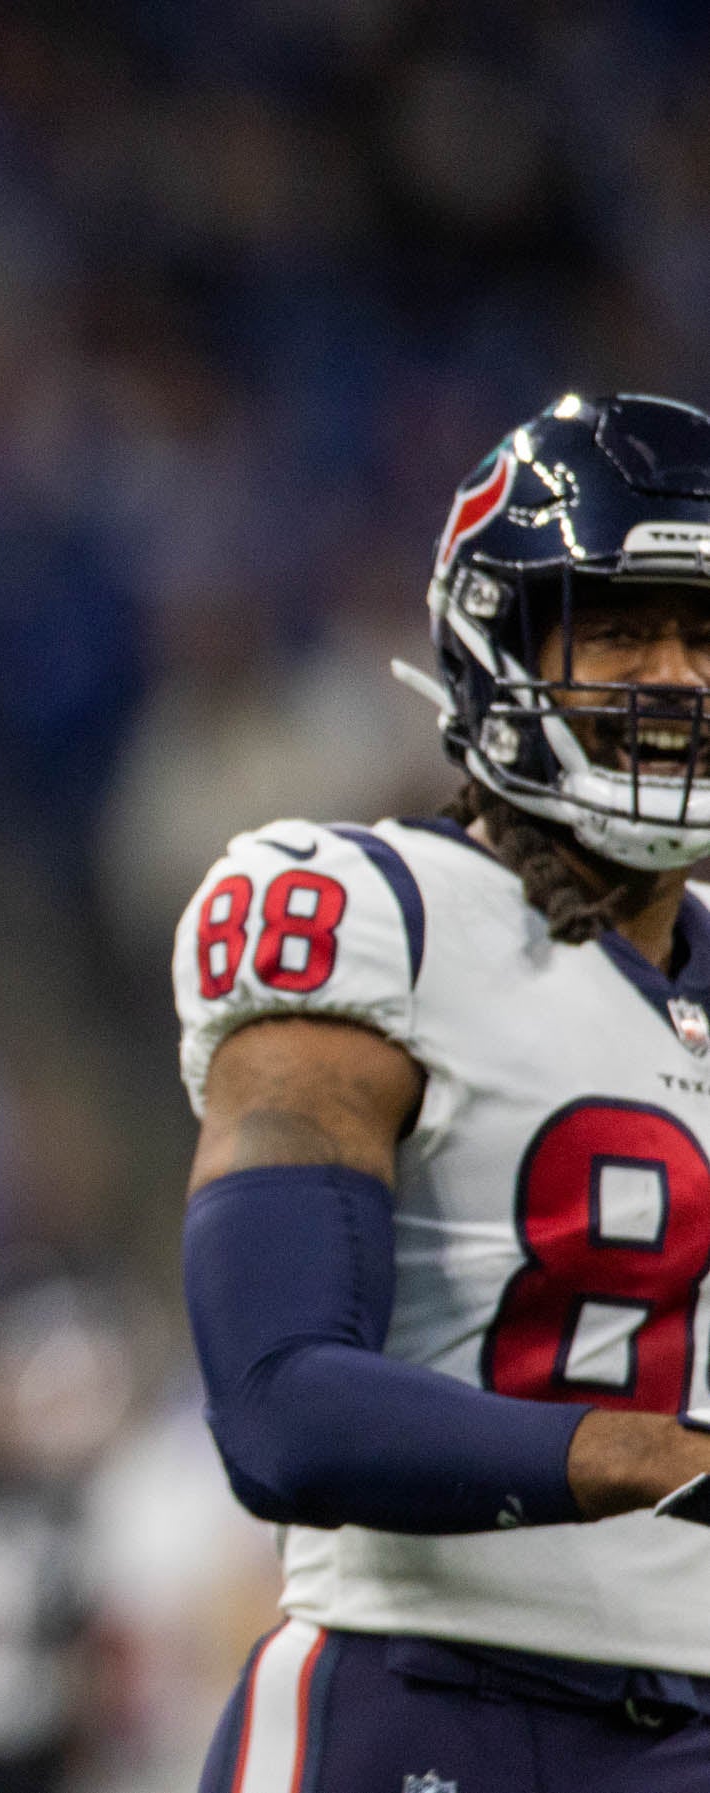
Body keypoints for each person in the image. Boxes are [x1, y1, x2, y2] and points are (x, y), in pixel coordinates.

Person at [175, 392, 710, 1792]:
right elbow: (280, 1406)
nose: (673, 675)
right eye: (620, 626)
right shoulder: (368, 909)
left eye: (705, 636)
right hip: (420, 1699)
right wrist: (659, 1457)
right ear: (501, 640)